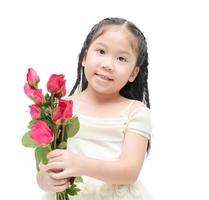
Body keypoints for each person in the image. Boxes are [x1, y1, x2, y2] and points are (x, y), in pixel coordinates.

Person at [37, 17, 153, 200]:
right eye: (101, 51)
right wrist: (45, 180)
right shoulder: (61, 107)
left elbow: (130, 170)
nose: (108, 65)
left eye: (121, 58)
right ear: (84, 57)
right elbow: (47, 164)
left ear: (133, 73)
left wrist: (80, 165)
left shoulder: (135, 112)